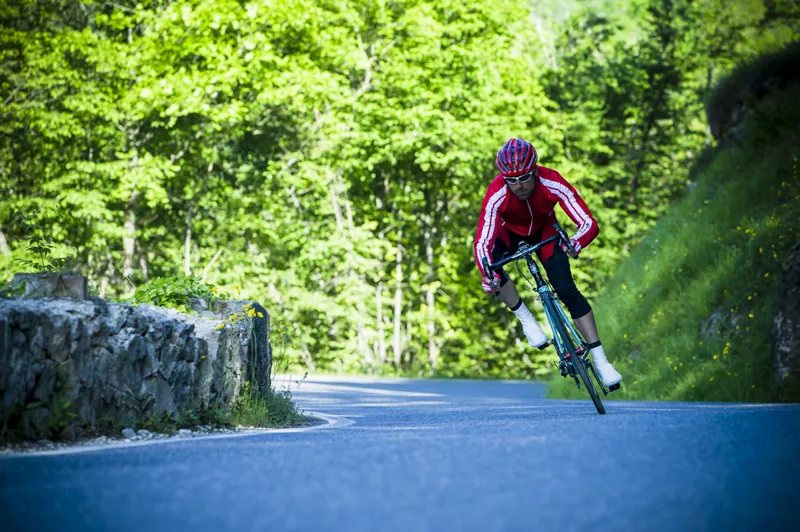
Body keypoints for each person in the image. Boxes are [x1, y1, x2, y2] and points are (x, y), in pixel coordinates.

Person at [473, 137, 622, 387]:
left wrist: (576, 242)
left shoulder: (551, 180)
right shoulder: (497, 192)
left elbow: (588, 222)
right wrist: (488, 275)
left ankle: (602, 362)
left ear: (535, 171)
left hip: (545, 231)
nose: (518, 186)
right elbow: (482, 240)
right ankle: (525, 318)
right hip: (509, 233)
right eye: (512, 180)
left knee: (565, 288)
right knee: (492, 269)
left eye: (524, 178)